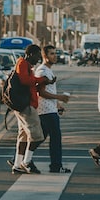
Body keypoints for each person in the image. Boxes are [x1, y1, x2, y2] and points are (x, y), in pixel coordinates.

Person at [7, 43, 47, 174]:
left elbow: (28, 80)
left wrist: (40, 80)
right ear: (30, 54)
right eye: (37, 56)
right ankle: (26, 162)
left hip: (24, 105)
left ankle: (18, 164)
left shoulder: (25, 64)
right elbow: (25, 81)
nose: (38, 59)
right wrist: (40, 79)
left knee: (23, 137)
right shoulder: (23, 64)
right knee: (37, 136)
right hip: (26, 106)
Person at [34, 44, 71, 173]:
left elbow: (47, 91)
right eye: (52, 54)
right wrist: (60, 97)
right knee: (55, 137)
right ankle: (56, 165)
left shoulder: (48, 70)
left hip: (50, 109)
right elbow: (41, 92)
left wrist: (57, 105)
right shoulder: (42, 71)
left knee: (40, 137)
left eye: (55, 53)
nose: (55, 56)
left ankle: (21, 157)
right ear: (44, 56)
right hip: (45, 110)